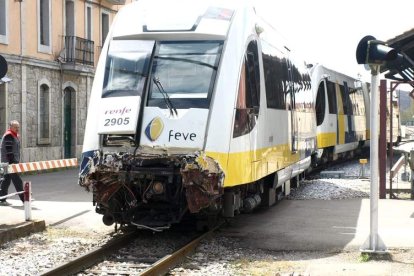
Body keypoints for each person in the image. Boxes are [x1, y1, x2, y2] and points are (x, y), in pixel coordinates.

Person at [0, 120, 24, 205]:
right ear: (10, 127)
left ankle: (2, 199)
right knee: (17, 180)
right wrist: (12, 163)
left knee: (6, 180)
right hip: (9, 162)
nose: (17, 129)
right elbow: (9, 151)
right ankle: (25, 199)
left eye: (18, 127)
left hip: (10, 162)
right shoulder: (9, 136)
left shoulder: (14, 135)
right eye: (15, 127)